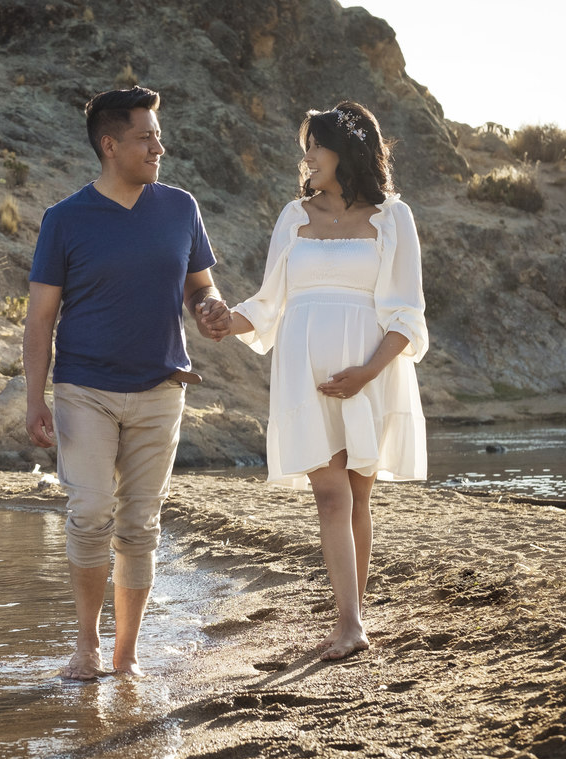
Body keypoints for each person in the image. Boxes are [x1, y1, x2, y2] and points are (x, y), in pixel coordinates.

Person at [24, 86, 227, 680]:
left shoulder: (181, 208)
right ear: (110, 145)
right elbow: (39, 321)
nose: (158, 146)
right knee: (89, 512)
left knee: (140, 523)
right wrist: (35, 399)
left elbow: (201, 286)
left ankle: (126, 653)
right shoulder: (64, 220)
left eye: (158, 135)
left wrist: (211, 306)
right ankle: (86, 645)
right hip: (85, 387)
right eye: (146, 136)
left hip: (162, 387)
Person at [217, 100, 428, 661]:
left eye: (315, 146)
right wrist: (224, 320)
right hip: (302, 374)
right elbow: (267, 304)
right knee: (330, 496)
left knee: (358, 495)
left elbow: (407, 313)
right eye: (305, 147)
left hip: (370, 370)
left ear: (346, 150)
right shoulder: (294, 216)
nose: (306, 158)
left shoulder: (393, 217)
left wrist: (366, 372)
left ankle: (351, 619)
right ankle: (351, 622)